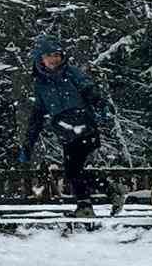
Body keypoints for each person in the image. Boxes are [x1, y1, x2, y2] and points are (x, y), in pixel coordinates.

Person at [20, 35, 124, 217]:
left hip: (84, 124)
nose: (53, 59)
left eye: (56, 55)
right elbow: (37, 117)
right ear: (40, 59)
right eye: (48, 55)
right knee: (72, 171)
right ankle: (106, 193)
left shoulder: (71, 73)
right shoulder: (41, 84)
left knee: (74, 169)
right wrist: (28, 144)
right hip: (65, 129)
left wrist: (99, 103)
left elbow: (88, 88)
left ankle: (88, 204)